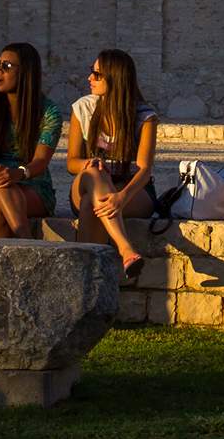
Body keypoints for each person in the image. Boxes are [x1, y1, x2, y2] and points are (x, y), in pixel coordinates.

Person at [67, 49, 159, 282]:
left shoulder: (144, 117)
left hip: (131, 191)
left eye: (97, 74)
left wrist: (122, 197)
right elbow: (71, 163)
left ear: (114, 77)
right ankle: (125, 249)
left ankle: (87, 283)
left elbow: (144, 170)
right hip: (88, 182)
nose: (90, 78)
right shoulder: (83, 109)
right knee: (94, 173)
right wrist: (90, 162)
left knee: (92, 204)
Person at [0, 42, 65, 239]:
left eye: (7, 66)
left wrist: (17, 173)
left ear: (26, 72)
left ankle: (3, 264)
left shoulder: (48, 111)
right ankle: (28, 243)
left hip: (31, 182)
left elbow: (40, 161)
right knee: (0, 181)